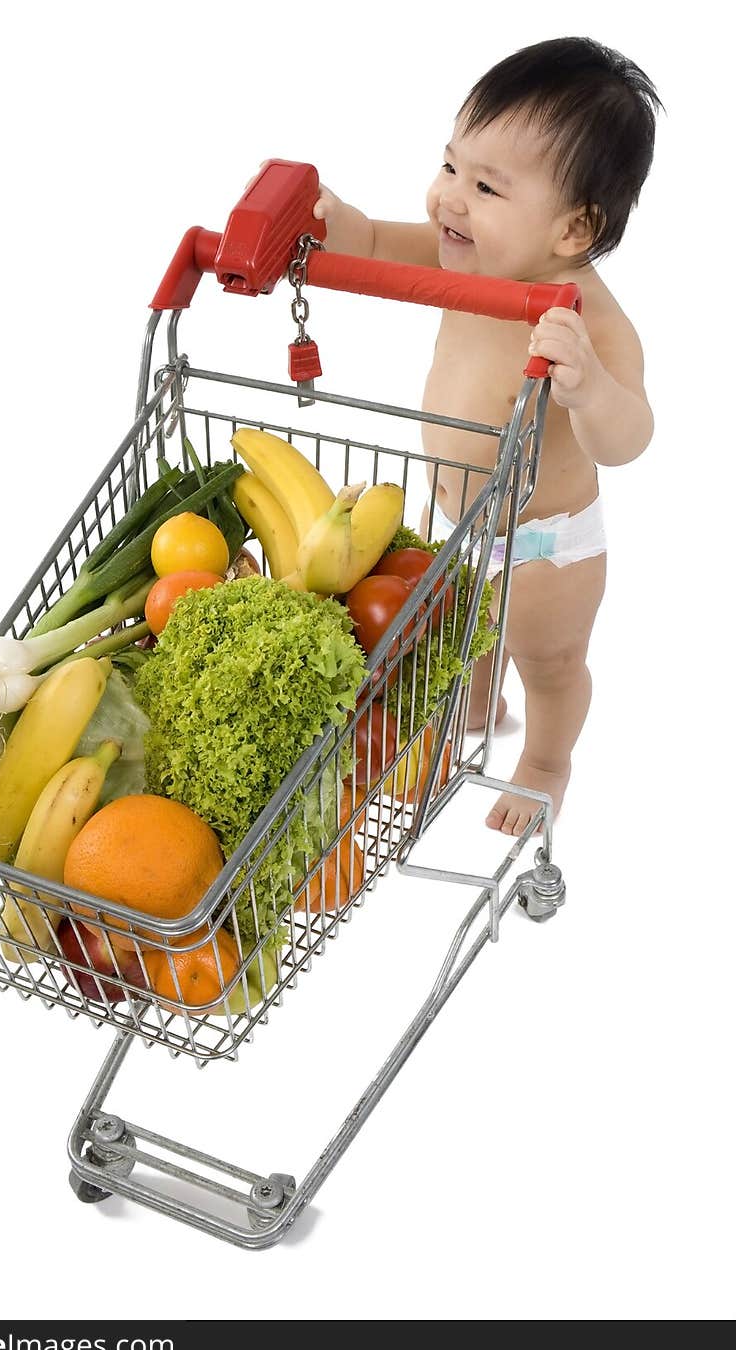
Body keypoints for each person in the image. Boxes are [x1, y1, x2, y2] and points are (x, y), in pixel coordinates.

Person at [314, 37, 663, 835]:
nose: (449, 200)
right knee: (469, 625)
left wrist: (589, 388)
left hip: (547, 547)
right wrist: (339, 224)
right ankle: (478, 695)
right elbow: (372, 247)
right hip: (471, 523)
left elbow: (629, 437)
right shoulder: (465, 258)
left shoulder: (588, 321)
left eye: (485, 186)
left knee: (549, 659)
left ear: (575, 228)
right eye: (448, 166)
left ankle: (545, 760)